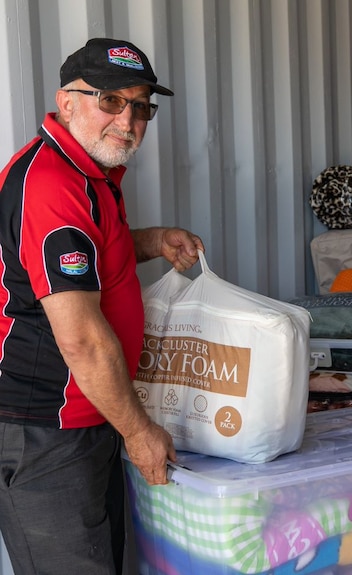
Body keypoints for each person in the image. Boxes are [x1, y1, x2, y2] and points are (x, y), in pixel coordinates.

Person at [0, 37, 204, 575]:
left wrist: (153, 239)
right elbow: (82, 339)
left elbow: (87, 256)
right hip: (48, 430)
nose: (129, 119)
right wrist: (139, 432)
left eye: (141, 106)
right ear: (67, 102)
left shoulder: (89, 173)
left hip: (90, 418)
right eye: (111, 100)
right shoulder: (52, 184)